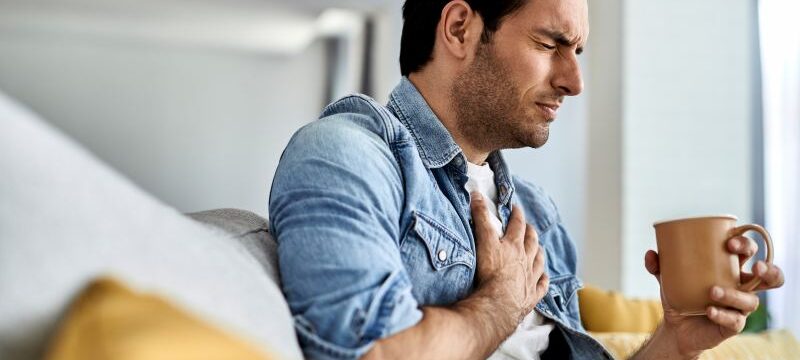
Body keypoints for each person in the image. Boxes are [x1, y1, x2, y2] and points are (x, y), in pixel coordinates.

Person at [268, 0, 786, 359]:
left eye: (577, 51)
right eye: (549, 43)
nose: (573, 81)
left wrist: (679, 343)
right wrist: (499, 304)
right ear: (459, 29)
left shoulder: (537, 215)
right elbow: (369, 354)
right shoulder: (347, 155)